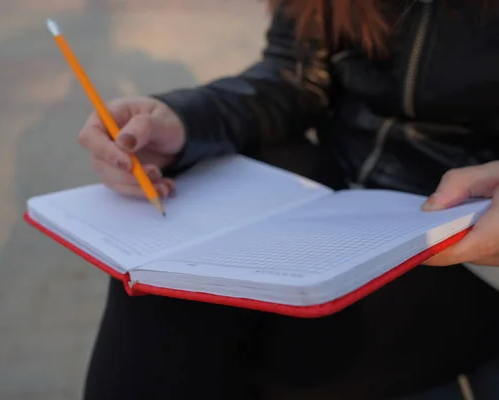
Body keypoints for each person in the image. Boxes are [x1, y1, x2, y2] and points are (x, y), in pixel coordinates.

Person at [78, 0, 499, 399]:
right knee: (175, 278)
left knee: (281, 354)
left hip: (462, 241)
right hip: (337, 195)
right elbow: (296, 75)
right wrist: (185, 120)